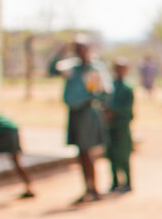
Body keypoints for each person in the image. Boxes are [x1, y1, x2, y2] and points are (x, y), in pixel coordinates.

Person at [50, 37, 108, 203]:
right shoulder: (71, 68)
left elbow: (103, 92)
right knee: (81, 152)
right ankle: (88, 188)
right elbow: (52, 70)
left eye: (83, 49)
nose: (80, 52)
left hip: (86, 112)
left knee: (87, 150)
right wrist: (62, 51)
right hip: (74, 112)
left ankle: (93, 188)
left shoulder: (94, 68)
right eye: (77, 49)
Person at [104, 59, 135, 195]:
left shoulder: (127, 87)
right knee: (111, 154)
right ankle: (115, 182)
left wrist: (113, 111)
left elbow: (127, 107)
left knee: (123, 154)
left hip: (122, 125)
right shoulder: (110, 86)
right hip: (110, 125)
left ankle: (127, 182)